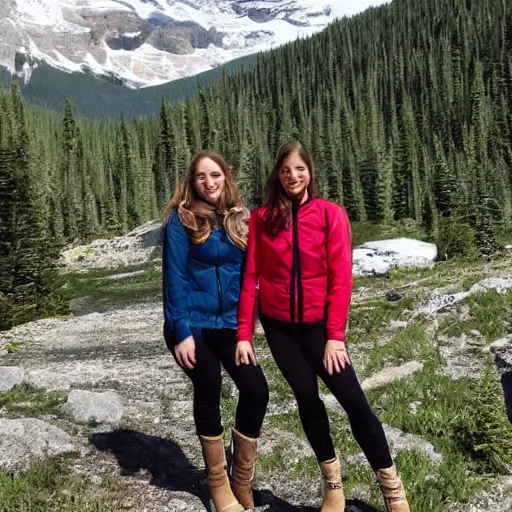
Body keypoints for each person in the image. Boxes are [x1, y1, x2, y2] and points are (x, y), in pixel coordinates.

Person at [236, 141, 410, 512]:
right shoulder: (261, 219)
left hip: (320, 329)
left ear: (310, 172)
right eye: (286, 171)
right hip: (280, 329)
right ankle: (333, 486)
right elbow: (251, 276)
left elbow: (340, 278)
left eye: (300, 169)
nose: (293, 176)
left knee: (354, 403)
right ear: (277, 176)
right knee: (306, 399)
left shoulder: (330, 215)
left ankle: (393, 491)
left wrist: (335, 337)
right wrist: (244, 334)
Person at [162, 151, 269, 512]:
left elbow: (249, 277)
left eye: (216, 175)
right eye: (201, 176)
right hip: (191, 324)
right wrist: (180, 331)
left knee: (256, 390)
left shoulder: (240, 219)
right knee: (208, 382)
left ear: (226, 177)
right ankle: (217, 484)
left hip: (230, 327)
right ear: (191, 181)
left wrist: (245, 332)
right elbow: (174, 278)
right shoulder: (182, 221)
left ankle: (242, 479)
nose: (209, 183)